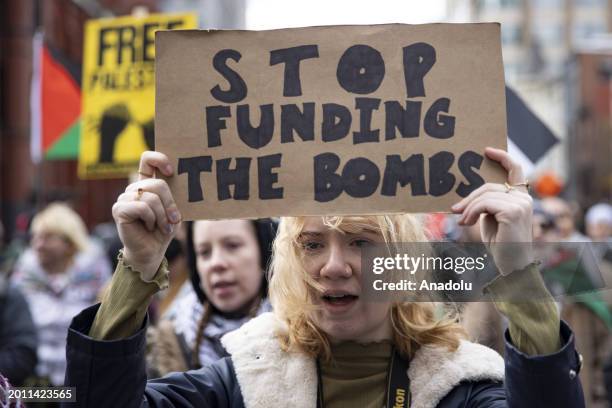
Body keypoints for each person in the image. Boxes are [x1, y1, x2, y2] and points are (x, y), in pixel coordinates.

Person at [64, 149, 584, 407]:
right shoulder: (240, 383)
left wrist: (515, 269)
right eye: (312, 244)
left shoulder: (461, 390)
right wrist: (139, 268)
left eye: (361, 241)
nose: (334, 266)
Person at [146, 219, 275, 377]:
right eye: (204, 252)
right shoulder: (169, 344)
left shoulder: (303, 333)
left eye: (232, 245)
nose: (216, 263)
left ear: (265, 250)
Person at [11, 203, 111, 386]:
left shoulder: (97, 276)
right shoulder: (22, 276)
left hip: (86, 380)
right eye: (35, 237)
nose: (38, 244)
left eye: (47, 237)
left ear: (70, 243)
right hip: (33, 385)